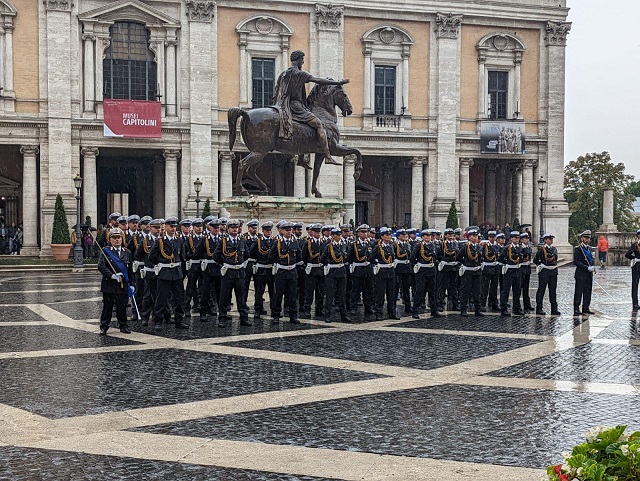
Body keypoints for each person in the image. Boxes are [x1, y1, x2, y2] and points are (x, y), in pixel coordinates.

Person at [271, 49, 349, 165]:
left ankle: (302, 158)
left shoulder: (284, 74)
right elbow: (318, 80)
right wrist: (337, 83)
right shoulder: (299, 73)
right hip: (296, 106)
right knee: (319, 124)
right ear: (298, 60)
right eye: (302, 60)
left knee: (305, 129)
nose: (303, 63)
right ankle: (327, 156)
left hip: (283, 105)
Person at [149, 217, 188, 330]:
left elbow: (182, 257)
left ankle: (179, 320)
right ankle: (158, 321)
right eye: (171, 226)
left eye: (174, 226)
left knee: (178, 298)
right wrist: (160, 265)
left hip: (176, 272)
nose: (173, 228)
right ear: (165, 227)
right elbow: (152, 256)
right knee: (161, 298)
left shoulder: (179, 240)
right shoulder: (160, 241)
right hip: (164, 272)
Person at [214, 219, 251, 328]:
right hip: (228, 272)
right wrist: (225, 263)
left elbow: (247, 254)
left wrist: (240, 263)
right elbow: (216, 255)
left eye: (236, 227)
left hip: (239, 272)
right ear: (228, 229)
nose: (235, 229)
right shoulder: (223, 241)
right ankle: (222, 318)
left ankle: (244, 318)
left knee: (241, 297)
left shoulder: (242, 240)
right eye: (232, 227)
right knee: (224, 296)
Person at [97, 227, 133, 336]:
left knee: (122, 306)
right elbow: (101, 266)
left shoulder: (127, 252)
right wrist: (112, 275)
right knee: (107, 306)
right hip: (110, 283)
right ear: (110, 239)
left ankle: (123, 325)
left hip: (123, 284)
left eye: (119, 238)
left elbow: (130, 270)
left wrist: (131, 284)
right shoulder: (105, 251)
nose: (117, 240)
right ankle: (104, 326)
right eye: (114, 238)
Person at [269, 221, 301, 324]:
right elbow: (271, 256)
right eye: (286, 230)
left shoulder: (294, 242)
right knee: (278, 295)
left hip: (291, 271)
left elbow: (299, 256)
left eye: (290, 230)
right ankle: (276, 316)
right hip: (281, 272)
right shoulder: (277, 243)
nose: (289, 232)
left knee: (292, 295)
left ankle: (293, 316)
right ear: (282, 231)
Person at [321, 228, 351, 323]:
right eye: (337, 235)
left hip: (341, 271)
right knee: (330, 294)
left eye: (339, 235)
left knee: (342, 294)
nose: (339, 236)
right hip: (332, 272)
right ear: (333, 236)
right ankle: (327, 315)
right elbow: (323, 259)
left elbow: (347, 257)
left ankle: (343, 315)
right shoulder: (329, 246)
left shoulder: (344, 245)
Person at [369, 227, 398, 320]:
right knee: (380, 294)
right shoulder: (378, 247)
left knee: (391, 294)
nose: (388, 236)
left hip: (391, 272)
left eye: (389, 235)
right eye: (386, 235)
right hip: (381, 272)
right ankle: (378, 312)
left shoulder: (392, 246)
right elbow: (371, 259)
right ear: (382, 236)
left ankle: (392, 312)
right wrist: (377, 264)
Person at [411, 229, 440, 319]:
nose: (428, 237)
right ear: (422, 237)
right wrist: (417, 266)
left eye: (429, 236)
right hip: (422, 271)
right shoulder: (418, 246)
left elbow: (435, 257)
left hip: (431, 270)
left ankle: (434, 310)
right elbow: (412, 258)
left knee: (433, 291)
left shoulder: (433, 245)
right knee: (420, 291)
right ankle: (415, 310)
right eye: (426, 236)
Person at [348, 224, 375, 320]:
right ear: (358, 233)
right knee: (355, 290)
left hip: (367, 269)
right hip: (358, 269)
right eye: (363, 232)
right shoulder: (354, 244)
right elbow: (350, 257)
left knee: (368, 290)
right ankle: (353, 307)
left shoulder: (370, 244)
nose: (365, 234)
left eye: (366, 232)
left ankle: (368, 307)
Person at [457, 229, 484, 317]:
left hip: (477, 271)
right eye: (473, 236)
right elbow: (458, 257)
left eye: (476, 236)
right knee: (465, 290)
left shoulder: (479, 247)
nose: (475, 237)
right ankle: (463, 309)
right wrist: (465, 264)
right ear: (469, 237)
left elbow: (480, 257)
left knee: (477, 291)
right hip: (468, 270)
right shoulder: (465, 247)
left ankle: (477, 309)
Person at [251, 221, 275, 319]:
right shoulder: (258, 242)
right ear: (263, 231)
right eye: (266, 231)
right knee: (259, 291)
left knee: (273, 292)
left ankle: (274, 310)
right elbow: (251, 254)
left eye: (270, 230)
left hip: (270, 270)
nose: (268, 232)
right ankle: (258, 309)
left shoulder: (274, 242)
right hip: (261, 270)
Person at [301, 223, 324, 318]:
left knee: (321, 291)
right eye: (316, 232)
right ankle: (307, 309)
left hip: (321, 270)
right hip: (311, 270)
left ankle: (319, 309)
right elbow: (304, 256)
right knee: (309, 291)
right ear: (312, 232)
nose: (318, 234)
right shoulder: (308, 243)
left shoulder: (324, 243)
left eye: (319, 232)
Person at [534, 233, 560, 316]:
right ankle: (539, 308)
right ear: (545, 240)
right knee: (541, 290)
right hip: (545, 272)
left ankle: (554, 309)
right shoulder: (541, 250)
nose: (551, 240)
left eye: (551, 239)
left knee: (553, 291)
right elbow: (535, 260)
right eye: (549, 239)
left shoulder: (554, 249)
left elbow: (555, 259)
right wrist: (540, 265)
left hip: (553, 272)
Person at [499, 231, 524, 316]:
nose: (517, 239)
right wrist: (507, 264)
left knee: (517, 290)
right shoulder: (507, 248)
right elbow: (500, 258)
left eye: (518, 238)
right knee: (506, 290)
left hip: (517, 271)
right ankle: (503, 308)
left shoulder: (520, 248)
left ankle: (516, 308)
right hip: (509, 271)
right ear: (511, 239)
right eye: (515, 238)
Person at [573, 230, 595, 316]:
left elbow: (591, 260)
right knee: (579, 291)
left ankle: (586, 307)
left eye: (588, 238)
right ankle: (576, 308)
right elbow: (576, 261)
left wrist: (592, 266)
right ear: (582, 238)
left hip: (589, 274)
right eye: (585, 238)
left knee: (588, 291)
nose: (587, 239)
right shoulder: (578, 249)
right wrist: (586, 267)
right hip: (581, 274)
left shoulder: (590, 249)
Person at [480, 231, 500, 312]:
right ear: (488, 238)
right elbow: (482, 256)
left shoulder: (496, 246)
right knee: (485, 288)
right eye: (491, 237)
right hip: (487, 268)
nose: (492, 238)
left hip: (495, 268)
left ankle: (493, 304)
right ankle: (482, 304)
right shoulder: (485, 246)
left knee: (494, 288)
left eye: (493, 237)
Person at [519, 232, 534, 313]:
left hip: (527, 269)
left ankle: (527, 304)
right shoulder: (521, 248)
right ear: (522, 240)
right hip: (521, 268)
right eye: (525, 238)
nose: (527, 240)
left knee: (526, 288)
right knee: (519, 288)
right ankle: (518, 306)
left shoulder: (528, 247)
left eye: (528, 238)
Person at [624, 229, 640, 310]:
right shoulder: (635, 245)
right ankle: (635, 303)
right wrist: (634, 258)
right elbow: (627, 254)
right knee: (635, 284)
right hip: (636, 266)